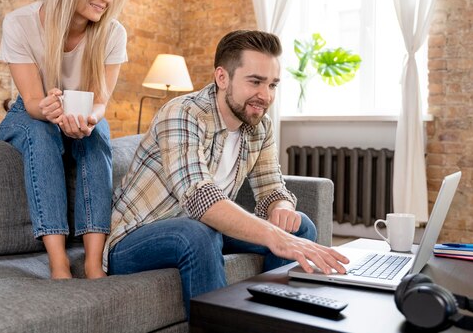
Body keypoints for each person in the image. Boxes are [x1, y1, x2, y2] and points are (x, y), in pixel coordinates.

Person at [105, 30, 349, 314]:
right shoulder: (183, 113)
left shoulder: (260, 125)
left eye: (272, 85)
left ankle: (273, 321)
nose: (265, 95)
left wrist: (281, 206)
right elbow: (199, 198)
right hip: (135, 238)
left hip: (206, 229)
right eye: (256, 82)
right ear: (222, 78)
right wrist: (273, 235)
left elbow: (271, 186)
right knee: (196, 233)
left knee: (300, 226)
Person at [0, 0, 129, 280]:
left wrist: (88, 120)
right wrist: (52, 110)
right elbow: (31, 102)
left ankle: (93, 263)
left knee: (98, 135)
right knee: (41, 133)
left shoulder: (113, 33)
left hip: (80, 115)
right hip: (33, 113)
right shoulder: (20, 23)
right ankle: (58, 264)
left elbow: (100, 102)